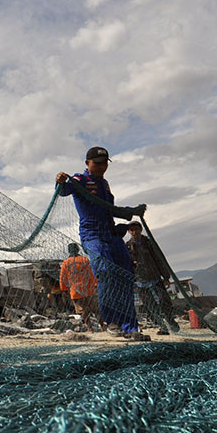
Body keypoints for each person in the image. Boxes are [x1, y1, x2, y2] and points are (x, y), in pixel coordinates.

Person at [56, 146, 147, 340]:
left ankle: (130, 327)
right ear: (87, 163)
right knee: (105, 272)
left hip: (111, 234)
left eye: (104, 163)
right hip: (92, 235)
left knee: (125, 274)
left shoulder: (104, 184)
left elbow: (109, 209)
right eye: (97, 163)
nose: (101, 166)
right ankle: (112, 321)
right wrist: (60, 182)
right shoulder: (80, 179)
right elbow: (63, 191)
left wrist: (131, 212)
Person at [126, 222, 174, 335]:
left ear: (141, 229)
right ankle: (162, 327)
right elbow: (128, 263)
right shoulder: (128, 246)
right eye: (132, 230)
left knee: (165, 301)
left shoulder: (149, 242)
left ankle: (171, 321)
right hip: (140, 281)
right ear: (129, 232)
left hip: (155, 277)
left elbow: (159, 258)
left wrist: (166, 277)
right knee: (150, 306)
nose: (134, 232)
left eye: (136, 229)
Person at [58, 243, 100, 329]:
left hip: (75, 291)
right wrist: (95, 285)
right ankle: (102, 325)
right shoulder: (85, 260)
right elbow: (91, 274)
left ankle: (90, 328)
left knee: (83, 310)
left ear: (69, 251)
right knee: (95, 309)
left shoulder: (66, 263)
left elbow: (62, 278)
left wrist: (63, 289)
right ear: (78, 250)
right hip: (88, 289)